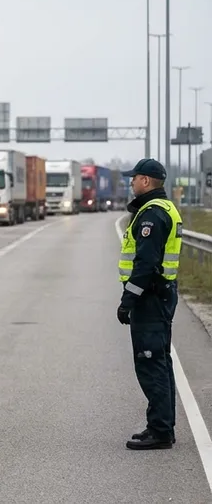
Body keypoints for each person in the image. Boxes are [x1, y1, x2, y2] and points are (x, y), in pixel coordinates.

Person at [118, 158, 182, 450]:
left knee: (150, 362)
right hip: (161, 295)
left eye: (134, 178)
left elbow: (145, 265)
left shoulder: (151, 215)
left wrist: (127, 300)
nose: (131, 182)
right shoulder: (162, 208)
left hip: (150, 298)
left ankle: (160, 431)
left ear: (145, 181)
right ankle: (161, 425)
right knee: (160, 361)